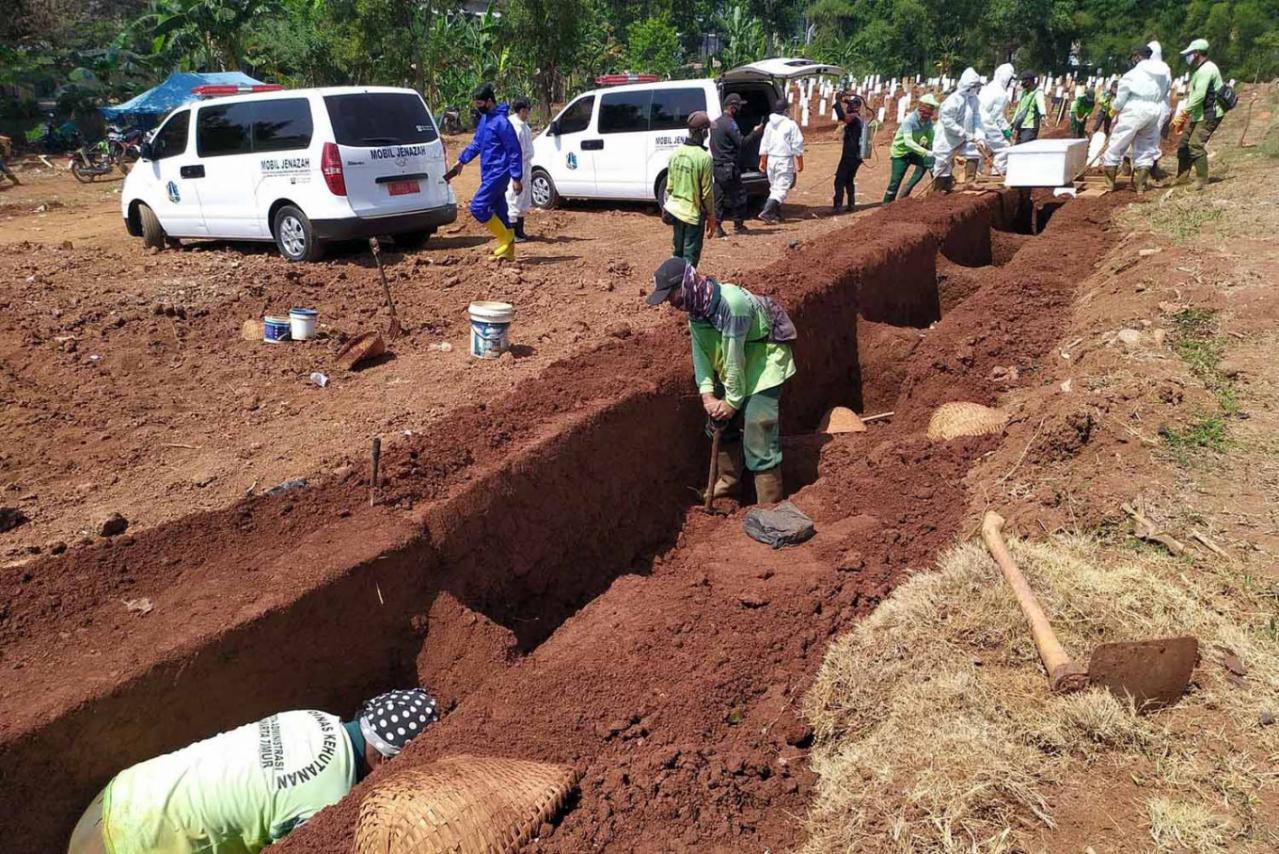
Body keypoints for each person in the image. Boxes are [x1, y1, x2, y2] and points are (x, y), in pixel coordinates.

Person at [67, 689, 439, 854]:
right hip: (144, 846)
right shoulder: (332, 800)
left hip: (117, 798)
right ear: (387, 762)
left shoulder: (311, 717)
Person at [647, 257, 795, 504]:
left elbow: (734, 356)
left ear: (684, 285)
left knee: (758, 427)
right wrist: (708, 395)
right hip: (735, 368)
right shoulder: (697, 309)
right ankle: (727, 488)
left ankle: (770, 506)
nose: (670, 304)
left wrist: (732, 403)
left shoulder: (731, 304)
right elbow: (701, 354)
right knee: (718, 423)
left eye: (670, 296)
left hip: (763, 364)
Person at [443, 82, 524, 261]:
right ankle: (509, 253)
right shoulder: (485, 120)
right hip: (488, 171)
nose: (478, 108)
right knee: (500, 209)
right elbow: (477, 144)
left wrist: (517, 177)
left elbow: (514, 150)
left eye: (480, 104)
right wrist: (462, 161)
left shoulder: (502, 123)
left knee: (478, 207)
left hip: (499, 172)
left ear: (489, 101)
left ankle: (505, 237)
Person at [1101, 46, 1166, 193]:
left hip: (1134, 109)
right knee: (1145, 146)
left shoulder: (1131, 75)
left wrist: (1114, 109)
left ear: (1137, 57)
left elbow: (1121, 98)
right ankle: (1141, 186)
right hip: (1154, 109)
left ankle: (1109, 184)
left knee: (1117, 143)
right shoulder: (1160, 74)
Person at [663, 111, 716, 266]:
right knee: (690, 258)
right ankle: (685, 288)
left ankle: (675, 285)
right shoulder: (704, 158)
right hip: (693, 215)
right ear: (703, 132)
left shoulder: (676, 154)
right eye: (708, 130)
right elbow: (707, 193)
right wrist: (711, 217)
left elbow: (670, 187)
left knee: (677, 253)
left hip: (676, 212)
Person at [709, 93, 764, 237]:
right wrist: (755, 133)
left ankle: (717, 227)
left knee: (718, 198)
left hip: (717, 166)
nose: (740, 109)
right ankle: (738, 225)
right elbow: (742, 143)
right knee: (739, 196)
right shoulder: (730, 123)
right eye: (738, 106)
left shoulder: (715, 123)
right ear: (732, 107)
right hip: (729, 168)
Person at [1176, 38, 1225, 190]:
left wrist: (1184, 113)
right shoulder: (1200, 69)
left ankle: (1201, 179)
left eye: (1189, 54)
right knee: (1184, 145)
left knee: (1195, 145)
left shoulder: (1207, 69)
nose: (1187, 57)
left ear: (1197, 53)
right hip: (1199, 113)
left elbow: (1199, 96)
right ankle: (1182, 178)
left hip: (1210, 113)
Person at [932, 68, 984, 193]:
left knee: (974, 152)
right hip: (948, 137)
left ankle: (970, 181)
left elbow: (977, 118)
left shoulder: (974, 100)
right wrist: (963, 133)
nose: (976, 89)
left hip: (967, 136)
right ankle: (940, 188)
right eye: (974, 86)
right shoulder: (952, 100)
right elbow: (947, 120)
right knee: (943, 160)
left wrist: (979, 136)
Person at [882, 94, 938, 203]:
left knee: (931, 163)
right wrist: (926, 151)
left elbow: (931, 136)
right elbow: (908, 142)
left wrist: (934, 149)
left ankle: (936, 191)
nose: (929, 115)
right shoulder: (909, 121)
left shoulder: (927, 121)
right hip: (901, 153)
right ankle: (886, 205)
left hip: (914, 151)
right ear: (921, 109)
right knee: (895, 181)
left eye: (931, 112)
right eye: (927, 112)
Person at [757, 97, 804, 224]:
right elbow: (797, 145)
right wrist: (800, 163)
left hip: (771, 159)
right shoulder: (790, 125)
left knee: (774, 187)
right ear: (786, 110)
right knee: (782, 188)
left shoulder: (769, 124)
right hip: (784, 159)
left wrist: (763, 160)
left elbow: (764, 143)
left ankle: (776, 214)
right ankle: (767, 212)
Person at [505, 97, 535, 242]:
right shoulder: (514, 127)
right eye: (527, 110)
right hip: (517, 166)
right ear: (522, 110)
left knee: (524, 198)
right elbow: (513, 152)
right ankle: (513, 233)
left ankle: (520, 231)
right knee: (514, 197)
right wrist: (515, 173)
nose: (528, 113)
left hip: (526, 165)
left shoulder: (524, 125)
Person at [978, 64, 1016, 176]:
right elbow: (997, 115)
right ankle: (997, 173)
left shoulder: (988, 87)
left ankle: (975, 174)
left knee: (980, 147)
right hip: (987, 122)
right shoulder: (1002, 94)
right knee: (1004, 148)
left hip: (976, 121)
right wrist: (1006, 130)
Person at [832, 94, 864, 211]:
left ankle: (838, 205)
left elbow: (842, 117)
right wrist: (844, 100)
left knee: (839, 180)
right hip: (855, 156)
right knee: (848, 180)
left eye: (851, 105)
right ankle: (851, 204)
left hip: (850, 156)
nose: (848, 107)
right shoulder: (858, 118)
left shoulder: (854, 118)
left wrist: (837, 103)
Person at [1012, 71, 1048, 143]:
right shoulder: (1024, 92)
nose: (1021, 83)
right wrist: (1013, 121)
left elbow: (1041, 104)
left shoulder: (1038, 92)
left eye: (1023, 81)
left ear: (1029, 81)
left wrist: (1043, 116)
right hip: (1021, 125)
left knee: (1024, 148)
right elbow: (1019, 108)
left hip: (1030, 127)